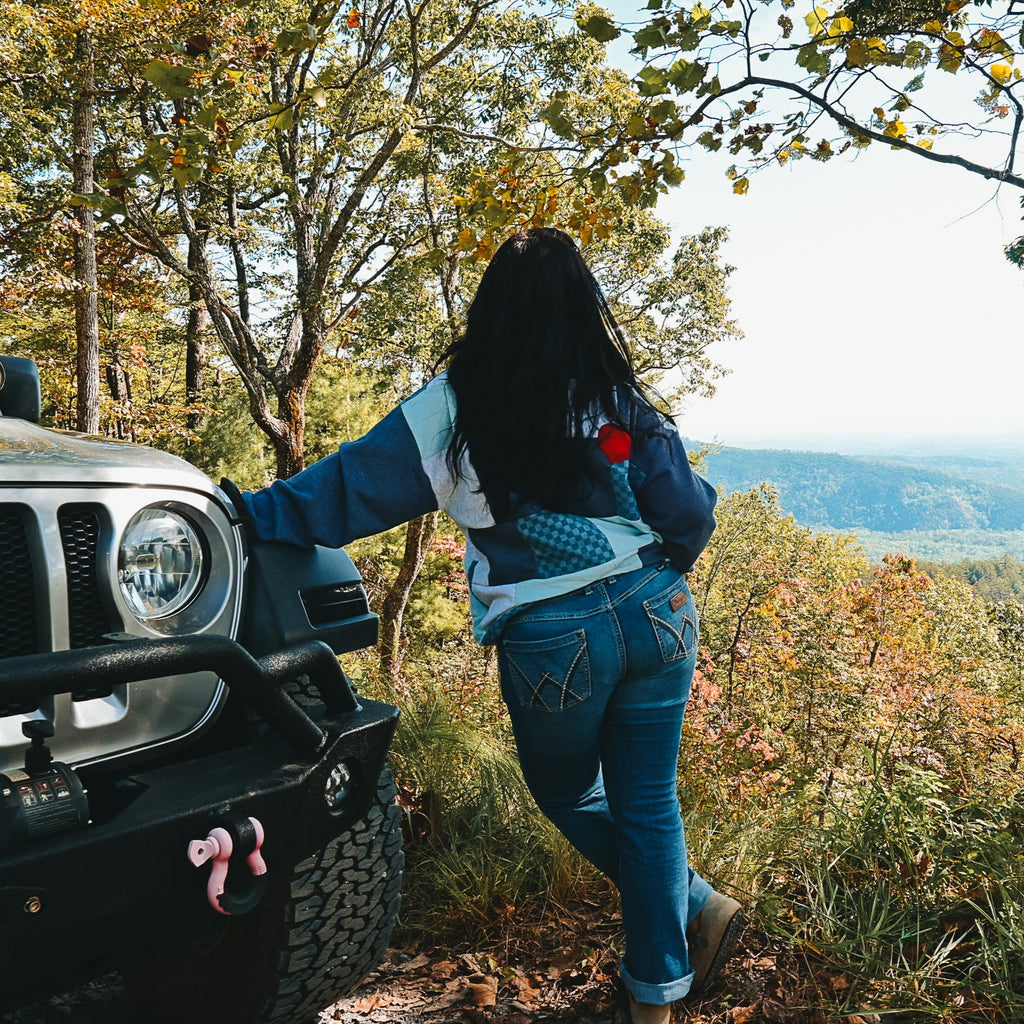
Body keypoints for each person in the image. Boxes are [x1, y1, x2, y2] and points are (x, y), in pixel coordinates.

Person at [225, 227, 744, 1023]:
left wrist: (245, 514)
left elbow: (344, 493)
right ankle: (660, 993)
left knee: (570, 793)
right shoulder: (611, 406)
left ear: (492, 309)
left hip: (552, 637)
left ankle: (692, 907)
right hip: (658, 610)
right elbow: (684, 509)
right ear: (582, 307)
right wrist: (663, 564)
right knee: (647, 805)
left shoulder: (451, 413)